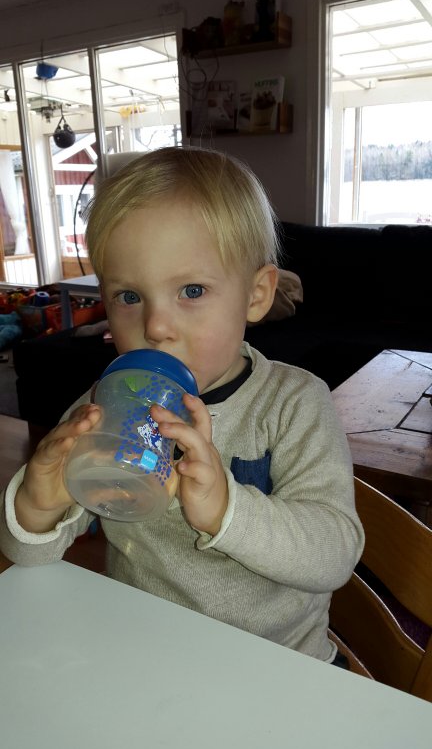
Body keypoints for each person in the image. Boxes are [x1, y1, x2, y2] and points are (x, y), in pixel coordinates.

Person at [0, 146, 364, 664]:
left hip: (281, 664)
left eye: (191, 290)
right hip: (147, 655)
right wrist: (38, 505)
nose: (155, 326)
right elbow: (29, 555)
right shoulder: (104, 405)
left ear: (256, 295)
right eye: (129, 296)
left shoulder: (292, 404)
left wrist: (225, 509)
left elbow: (334, 556)